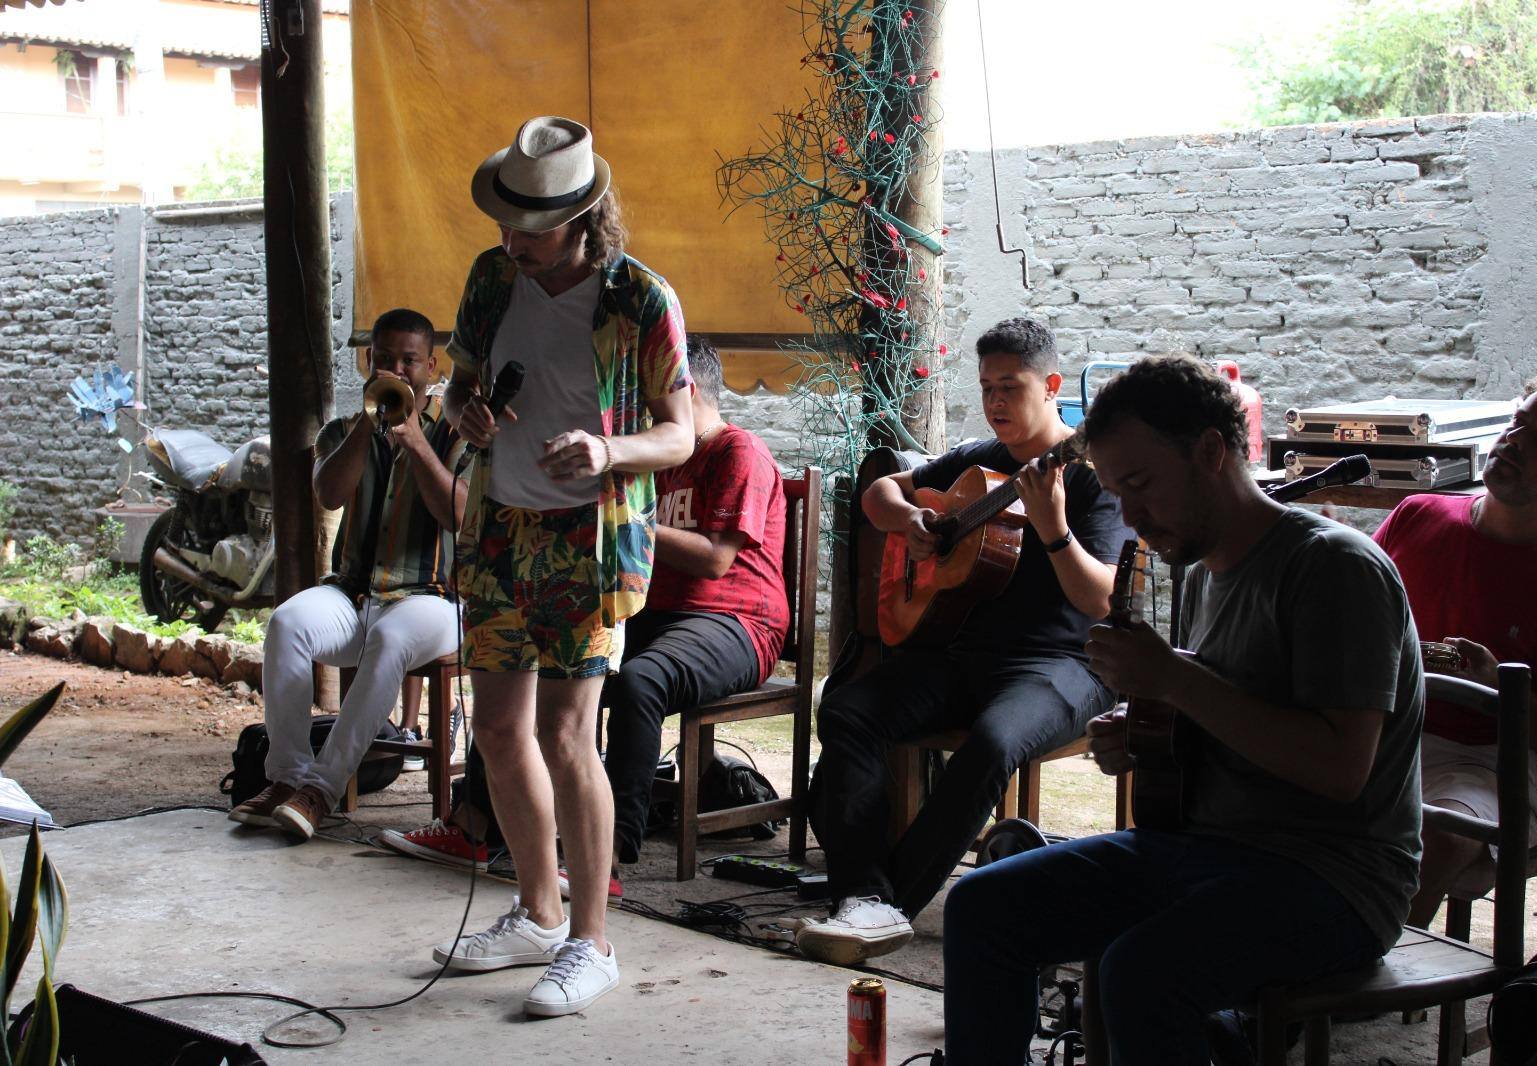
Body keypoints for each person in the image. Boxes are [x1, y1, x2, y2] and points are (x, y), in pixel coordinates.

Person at [941, 355, 1426, 1065]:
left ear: (1210, 452)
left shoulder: (1332, 568)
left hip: (1334, 881)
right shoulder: (1202, 572)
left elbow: (1339, 768)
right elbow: (1220, 707)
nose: (1131, 516)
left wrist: (1171, 680)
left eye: (1140, 485)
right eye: (1114, 492)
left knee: (1138, 973)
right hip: (1208, 848)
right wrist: (1145, 732)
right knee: (982, 907)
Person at [433, 116, 692, 1018]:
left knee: (566, 737)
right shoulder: (491, 277)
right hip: (499, 529)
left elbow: (682, 430)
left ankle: (592, 942)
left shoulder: (641, 300)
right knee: (499, 733)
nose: (512, 242)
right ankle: (538, 915)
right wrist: (464, 412)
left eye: (530, 229)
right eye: (506, 223)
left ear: (582, 215)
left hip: (589, 541)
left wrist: (607, 448)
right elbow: (462, 382)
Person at [380, 336, 789, 891]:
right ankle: (474, 827)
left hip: (738, 623)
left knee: (641, 682)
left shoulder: (738, 452)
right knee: (527, 651)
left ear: (686, 391)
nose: (647, 413)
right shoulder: (659, 460)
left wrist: (634, 522)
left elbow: (716, 559)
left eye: (655, 399)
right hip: (655, 613)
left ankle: (608, 855)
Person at [796, 318, 1132, 965]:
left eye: (1011, 387)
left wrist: (1055, 529)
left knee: (993, 741)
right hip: (964, 659)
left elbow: (1102, 601)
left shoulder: (1092, 477)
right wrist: (914, 519)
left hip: (1063, 665)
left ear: (1053, 386)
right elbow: (879, 494)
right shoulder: (978, 463)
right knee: (847, 710)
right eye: (986, 388)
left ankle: (884, 905)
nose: (996, 403)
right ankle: (863, 897)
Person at [226, 307, 467, 840]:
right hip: (355, 592)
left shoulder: (455, 432)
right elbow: (328, 493)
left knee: (390, 636)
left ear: (432, 364)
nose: (397, 371)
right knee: (287, 623)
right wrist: (368, 424)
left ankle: (321, 790)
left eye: (409, 361)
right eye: (384, 360)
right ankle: (287, 780)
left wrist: (417, 444)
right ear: (367, 361)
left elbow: (459, 514)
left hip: (433, 599)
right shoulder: (342, 428)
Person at [1373, 371, 1537, 927]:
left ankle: (1365, 973)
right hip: (1380, 733)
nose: (1513, 440)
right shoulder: (1417, 514)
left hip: (1485, 768)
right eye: (1517, 422)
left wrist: (1500, 688)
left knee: (1440, 832)